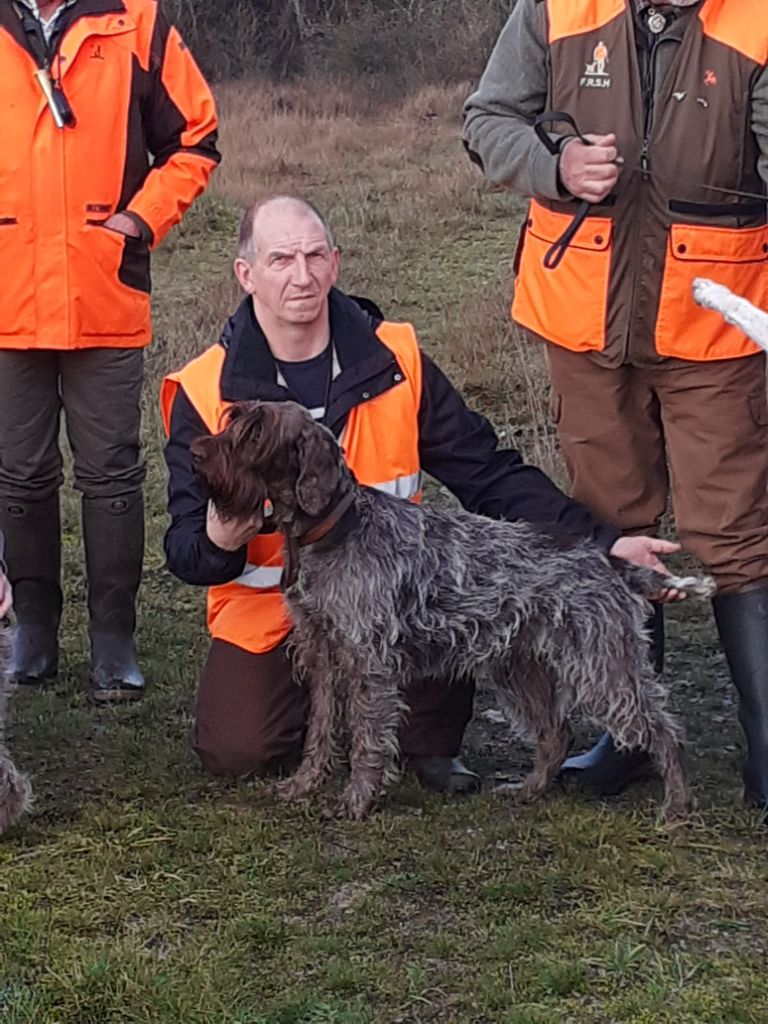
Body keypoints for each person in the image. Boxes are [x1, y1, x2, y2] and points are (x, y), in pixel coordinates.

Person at [160, 195, 680, 794]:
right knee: (237, 748)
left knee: (424, 744)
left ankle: (400, 723)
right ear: (246, 275)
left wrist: (602, 543)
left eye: (313, 257)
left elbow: (487, 472)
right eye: (280, 260)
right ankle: (312, 705)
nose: (301, 276)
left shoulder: (397, 358)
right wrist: (218, 540)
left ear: (335, 263)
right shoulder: (206, 388)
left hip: (407, 606)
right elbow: (182, 548)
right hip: (268, 620)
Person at [463, 0, 768, 808]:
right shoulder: (557, 10)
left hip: (715, 318)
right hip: (584, 317)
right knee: (610, 515)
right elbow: (489, 119)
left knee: (735, 531)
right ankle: (632, 734)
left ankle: (767, 744)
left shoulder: (758, 19)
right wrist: (554, 168)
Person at [0, 0, 220, 702]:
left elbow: (197, 140)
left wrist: (138, 220)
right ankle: (31, 632)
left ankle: (113, 642)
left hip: (103, 288)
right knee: (21, 472)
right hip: (6, 296)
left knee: (111, 472)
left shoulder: (138, 21)